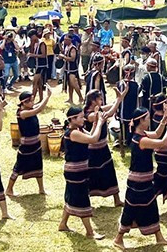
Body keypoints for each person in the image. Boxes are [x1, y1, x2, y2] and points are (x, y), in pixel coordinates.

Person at [113, 106, 167, 249]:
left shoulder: (141, 133)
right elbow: (163, 142)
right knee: (130, 209)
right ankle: (118, 238)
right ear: (141, 120)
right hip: (137, 182)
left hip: (144, 179)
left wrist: (164, 122)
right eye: (147, 118)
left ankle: (159, 237)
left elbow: (157, 134)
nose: (149, 120)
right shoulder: (141, 140)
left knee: (151, 206)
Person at [59, 106, 105, 240]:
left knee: (72, 196)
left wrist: (96, 122)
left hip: (78, 169)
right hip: (75, 171)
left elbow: (90, 135)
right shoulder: (73, 133)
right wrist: (100, 123)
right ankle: (90, 232)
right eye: (80, 117)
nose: (83, 119)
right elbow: (93, 140)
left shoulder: (78, 129)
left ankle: (63, 224)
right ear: (72, 119)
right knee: (82, 199)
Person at [6, 89, 51, 197]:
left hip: (36, 143)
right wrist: (47, 96)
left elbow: (37, 106)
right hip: (27, 145)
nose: (33, 103)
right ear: (24, 103)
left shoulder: (29, 108)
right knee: (18, 167)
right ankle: (9, 189)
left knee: (38, 165)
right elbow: (38, 109)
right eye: (30, 101)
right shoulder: (23, 113)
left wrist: (45, 98)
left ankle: (41, 189)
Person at [83, 89, 123, 206]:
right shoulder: (89, 115)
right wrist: (118, 100)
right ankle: (86, 201)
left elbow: (110, 108)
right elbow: (108, 114)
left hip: (103, 148)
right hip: (92, 150)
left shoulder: (98, 109)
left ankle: (117, 200)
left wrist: (119, 98)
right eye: (100, 99)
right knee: (91, 174)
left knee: (110, 172)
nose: (102, 101)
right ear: (93, 101)